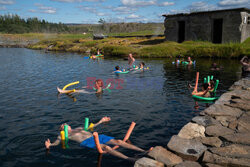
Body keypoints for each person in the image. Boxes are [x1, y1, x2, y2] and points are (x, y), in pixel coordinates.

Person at [45, 117, 152, 161]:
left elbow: (92, 127)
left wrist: (101, 121)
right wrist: (50, 145)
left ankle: (144, 151)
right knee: (106, 147)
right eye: (63, 125)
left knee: (118, 141)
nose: (65, 124)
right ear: (61, 129)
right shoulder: (62, 135)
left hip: (97, 136)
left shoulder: (79, 128)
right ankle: (130, 159)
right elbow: (57, 143)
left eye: (65, 123)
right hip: (86, 142)